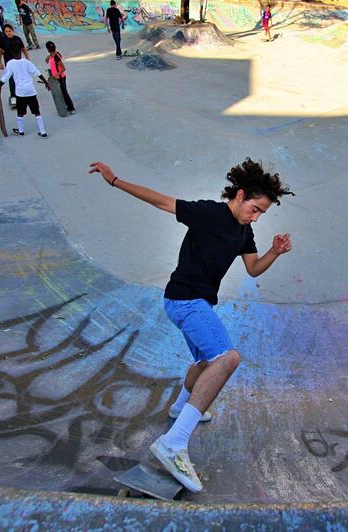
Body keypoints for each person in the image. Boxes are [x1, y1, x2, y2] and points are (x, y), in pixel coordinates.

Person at [87, 158, 294, 492]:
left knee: (205, 363)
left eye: (261, 214)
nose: (255, 217)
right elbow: (159, 200)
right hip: (186, 301)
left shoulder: (244, 230)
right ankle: (174, 443)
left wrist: (275, 251)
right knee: (228, 358)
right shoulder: (209, 213)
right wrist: (115, 181)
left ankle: (181, 406)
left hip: (192, 302)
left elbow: (254, 268)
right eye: (254, 209)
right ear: (240, 195)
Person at [0, 48, 51, 138]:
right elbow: (38, 73)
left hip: (21, 92)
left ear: (12, 54)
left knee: (20, 112)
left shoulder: (10, 63)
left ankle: (21, 131)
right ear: (21, 53)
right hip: (31, 91)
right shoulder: (27, 62)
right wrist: (46, 83)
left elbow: (6, 76)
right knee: (37, 111)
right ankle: (43, 132)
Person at [0, 23, 29, 108]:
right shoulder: (3, 40)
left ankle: (22, 95)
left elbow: (23, 49)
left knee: (20, 79)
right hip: (9, 64)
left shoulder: (17, 39)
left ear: (13, 31)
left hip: (19, 63)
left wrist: (27, 58)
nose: (8, 33)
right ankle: (13, 97)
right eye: (6, 31)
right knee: (11, 80)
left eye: (10, 31)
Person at [46, 41, 76, 115]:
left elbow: (63, 68)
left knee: (64, 93)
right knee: (62, 93)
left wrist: (56, 74)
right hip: (57, 78)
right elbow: (46, 60)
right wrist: (48, 57)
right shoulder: (52, 56)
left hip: (60, 78)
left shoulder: (56, 57)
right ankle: (66, 106)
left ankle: (71, 108)